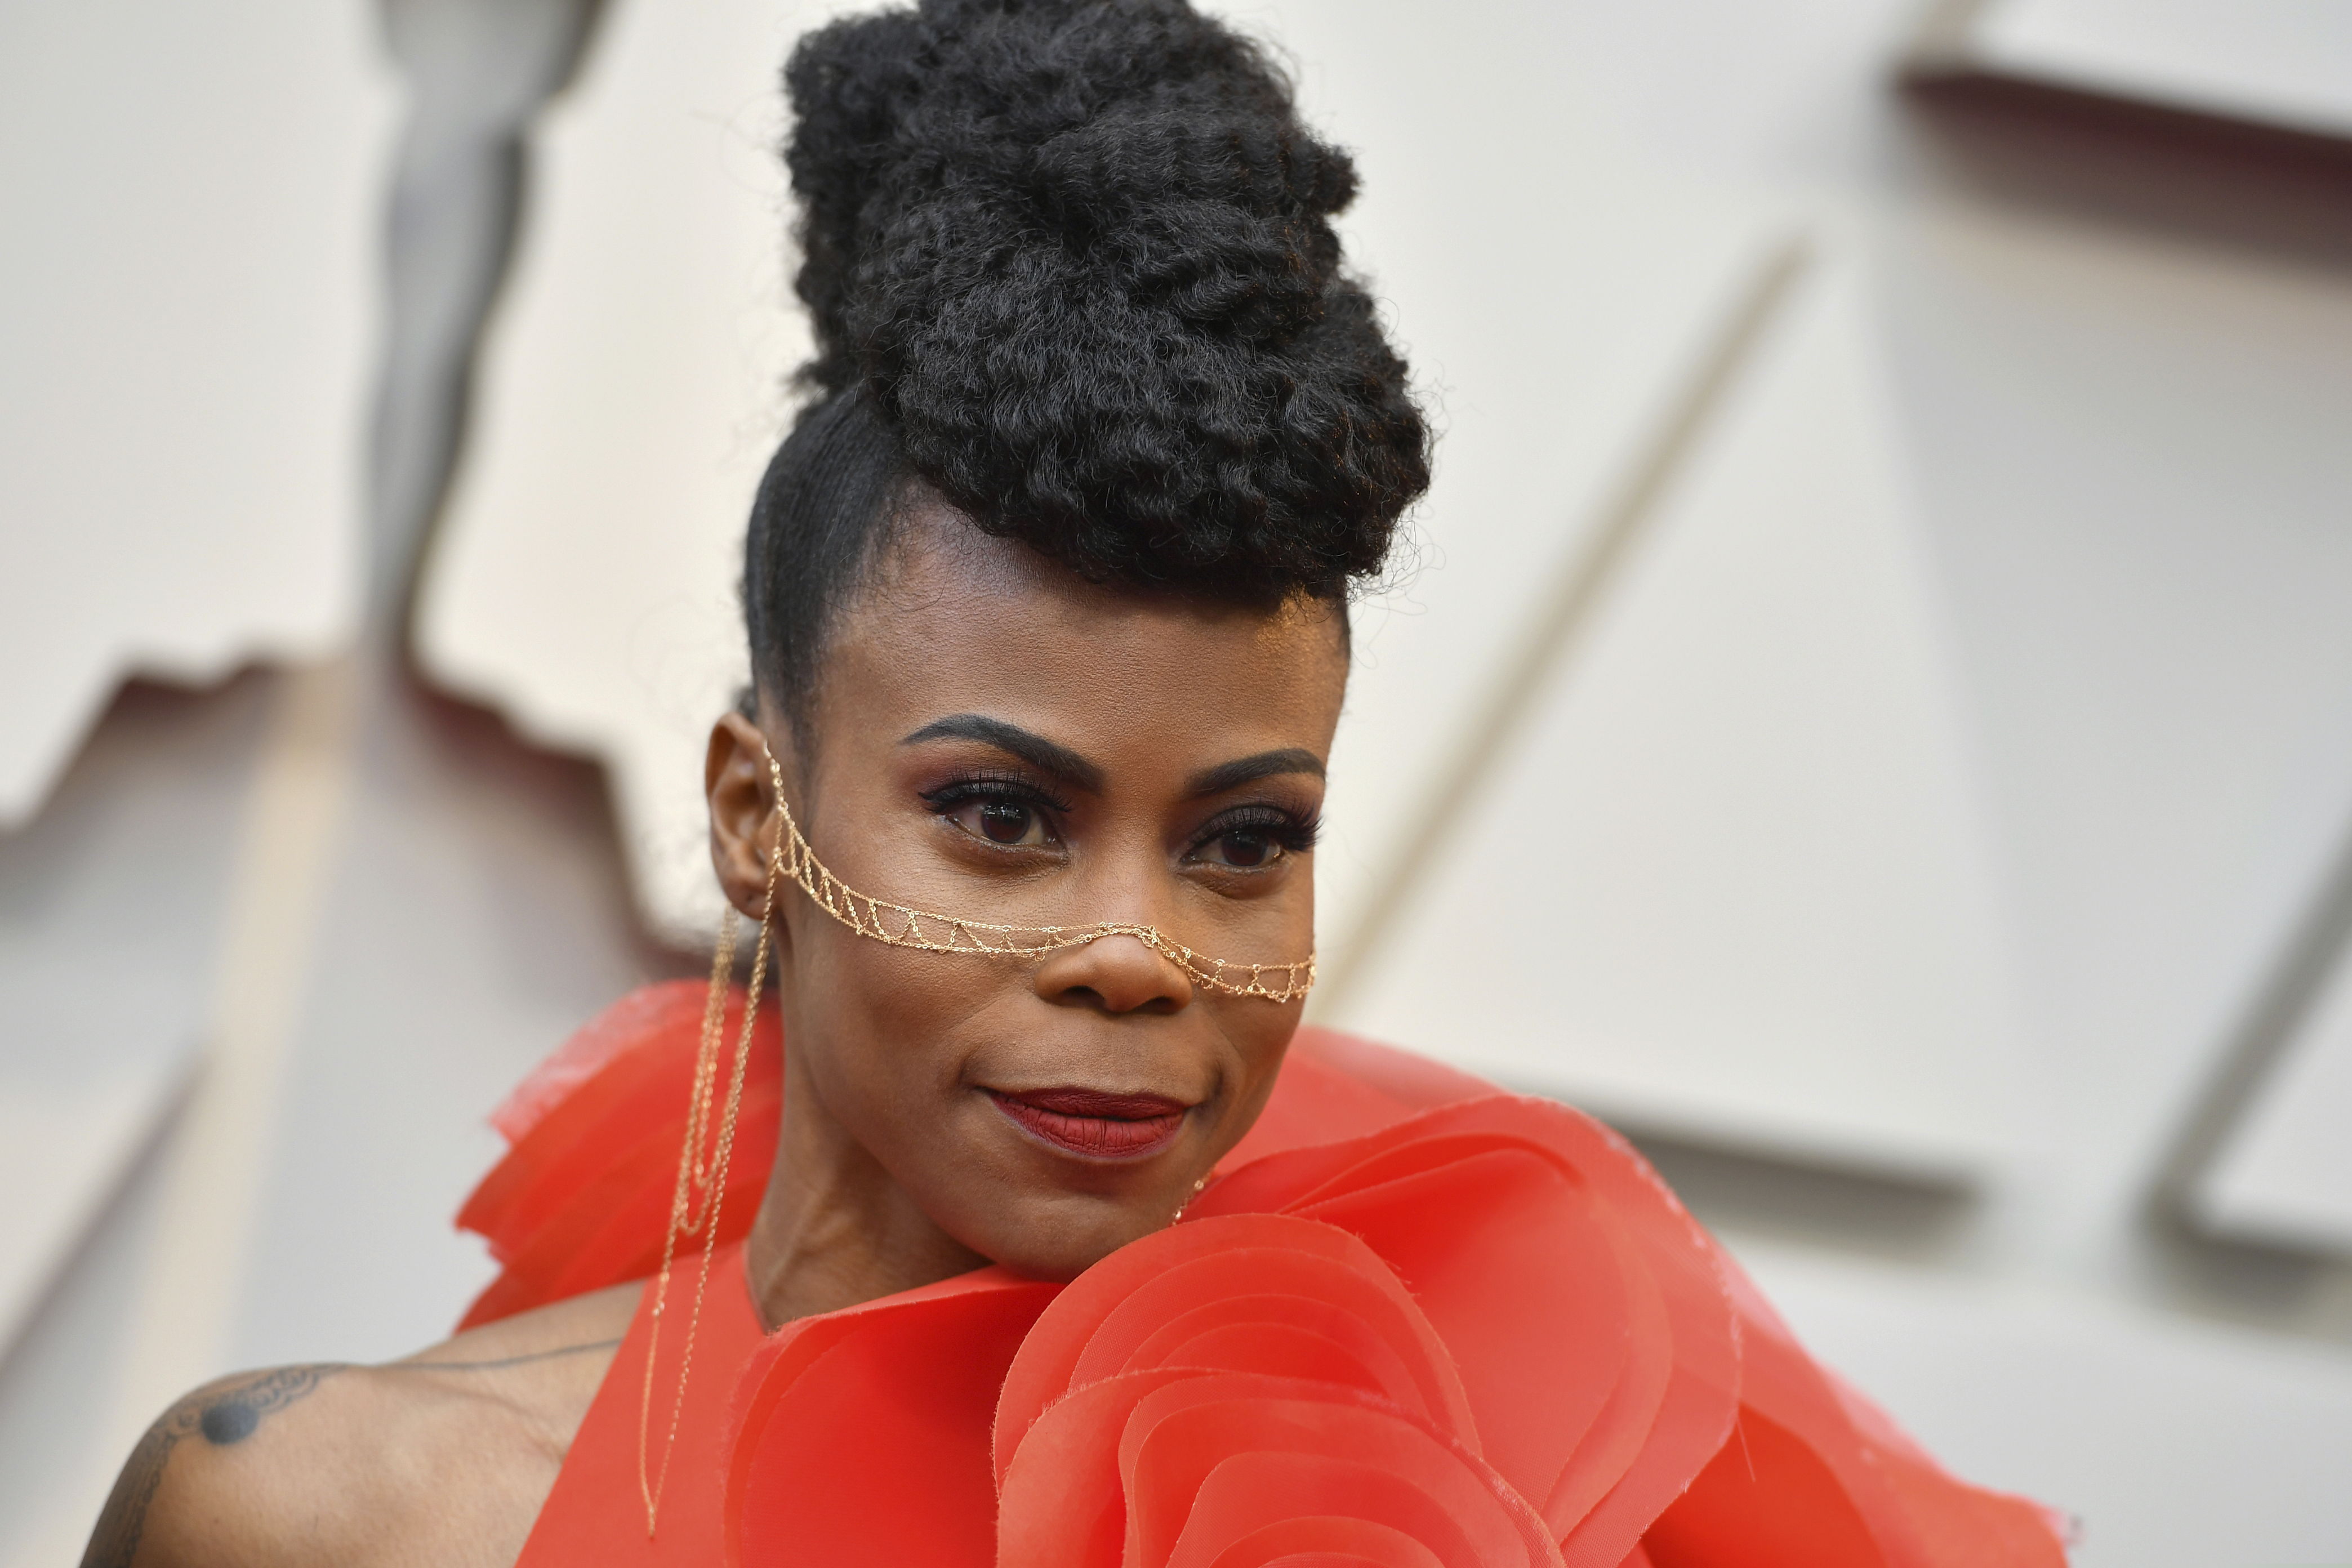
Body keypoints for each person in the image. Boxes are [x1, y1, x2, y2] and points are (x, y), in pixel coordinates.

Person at [83, 2, 2068, 1564]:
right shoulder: (319, 1515)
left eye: (1243, 842)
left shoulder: (1498, 1512)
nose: (1140, 959)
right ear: (759, 821)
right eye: (1006, 815)